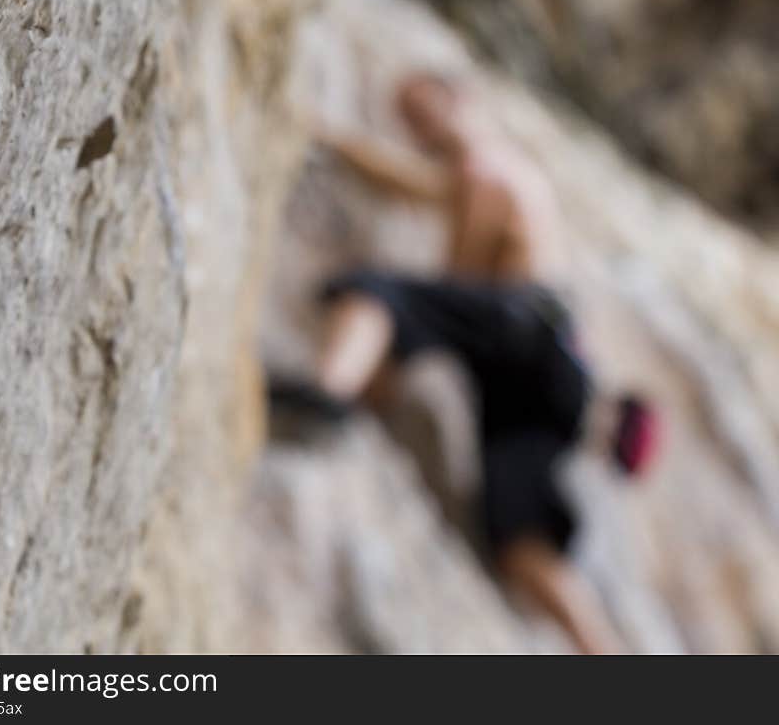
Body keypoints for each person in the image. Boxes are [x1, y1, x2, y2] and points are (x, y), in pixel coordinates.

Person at [273, 71, 661, 655]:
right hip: (554, 375)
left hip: (526, 338)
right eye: (408, 118)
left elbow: (457, 283)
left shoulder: (483, 170)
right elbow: (407, 183)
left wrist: (391, 362)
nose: (418, 128)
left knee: (382, 293)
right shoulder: (491, 173)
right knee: (520, 534)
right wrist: (327, 136)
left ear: (461, 100)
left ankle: (327, 392)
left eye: (424, 110)